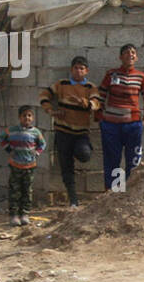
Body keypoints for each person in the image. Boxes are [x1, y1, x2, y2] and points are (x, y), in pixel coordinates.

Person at [39, 56, 102, 207]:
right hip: (63, 131)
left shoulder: (90, 87)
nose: (78, 71)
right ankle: (73, 200)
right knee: (66, 167)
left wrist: (85, 103)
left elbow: (97, 103)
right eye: (76, 68)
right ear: (71, 69)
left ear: (86, 71)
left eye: (81, 68)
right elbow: (44, 95)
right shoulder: (62, 84)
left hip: (81, 133)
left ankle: (77, 151)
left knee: (84, 155)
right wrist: (51, 110)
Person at [97, 43, 144, 189]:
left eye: (133, 53)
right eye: (127, 53)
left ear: (137, 57)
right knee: (112, 160)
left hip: (133, 125)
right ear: (120, 57)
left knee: (133, 161)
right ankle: (114, 193)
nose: (130, 55)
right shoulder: (111, 74)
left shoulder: (141, 77)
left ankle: (129, 192)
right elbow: (100, 97)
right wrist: (100, 117)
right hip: (111, 125)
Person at [0, 105, 46, 226]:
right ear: (19, 117)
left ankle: (24, 213)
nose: (27, 118)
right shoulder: (12, 130)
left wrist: (36, 153)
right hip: (15, 165)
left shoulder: (36, 132)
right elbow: (1, 138)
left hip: (29, 166)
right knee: (15, 190)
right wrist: (9, 150)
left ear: (33, 118)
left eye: (29, 115)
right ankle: (14, 215)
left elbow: (42, 144)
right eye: (24, 116)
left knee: (27, 191)